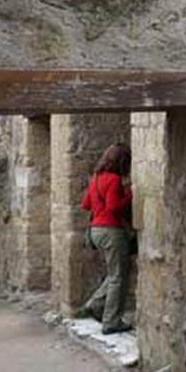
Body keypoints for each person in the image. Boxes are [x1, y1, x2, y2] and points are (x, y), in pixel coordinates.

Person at [77, 143, 134, 334]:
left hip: (96, 231)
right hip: (111, 231)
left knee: (114, 273)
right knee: (119, 277)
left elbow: (85, 204)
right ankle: (111, 321)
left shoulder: (96, 179)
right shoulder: (114, 179)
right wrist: (130, 196)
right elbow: (114, 207)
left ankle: (94, 304)